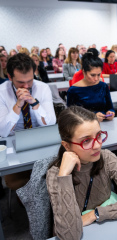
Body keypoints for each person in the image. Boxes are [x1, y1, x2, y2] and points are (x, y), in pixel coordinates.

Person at [47, 106, 117, 240]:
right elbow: (69, 236)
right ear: (66, 146)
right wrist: (64, 176)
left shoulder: (106, 157)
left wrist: (94, 214)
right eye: (86, 141)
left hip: (109, 225)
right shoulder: (56, 175)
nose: (97, 145)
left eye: (99, 135)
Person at [0, 53, 56, 193]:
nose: (26, 86)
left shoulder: (42, 88)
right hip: (15, 146)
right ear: (9, 77)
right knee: (22, 184)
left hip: (41, 143)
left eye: (30, 81)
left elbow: (50, 124)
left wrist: (34, 103)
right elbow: (3, 131)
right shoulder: (1, 92)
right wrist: (18, 105)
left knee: (56, 176)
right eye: (20, 82)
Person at [67, 50, 115, 122]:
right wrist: (92, 116)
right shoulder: (74, 90)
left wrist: (110, 112)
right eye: (92, 75)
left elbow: (110, 107)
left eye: (99, 75)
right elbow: (70, 115)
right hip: (84, 126)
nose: (96, 79)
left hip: (104, 124)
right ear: (84, 72)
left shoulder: (103, 86)